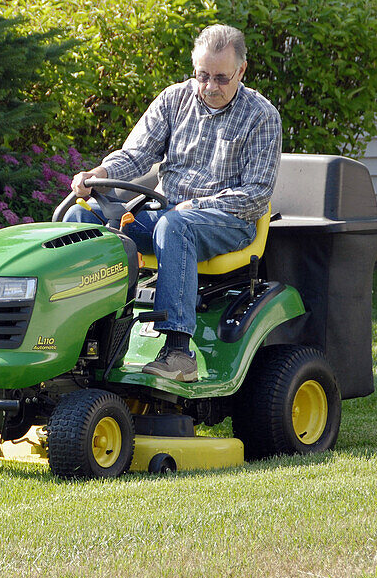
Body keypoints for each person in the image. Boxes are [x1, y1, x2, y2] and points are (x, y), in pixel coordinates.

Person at [65, 24, 282, 382]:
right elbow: (137, 155)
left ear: (241, 71)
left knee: (175, 225)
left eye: (221, 78)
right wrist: (98, 172)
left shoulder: (261, 116)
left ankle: (179, 352)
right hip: (167, 212)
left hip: (228, 219)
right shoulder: (173, 100)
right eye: (202, 75)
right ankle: (85, 336)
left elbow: (256, 193)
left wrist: (196, 206)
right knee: (80, 217)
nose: (210, 86)